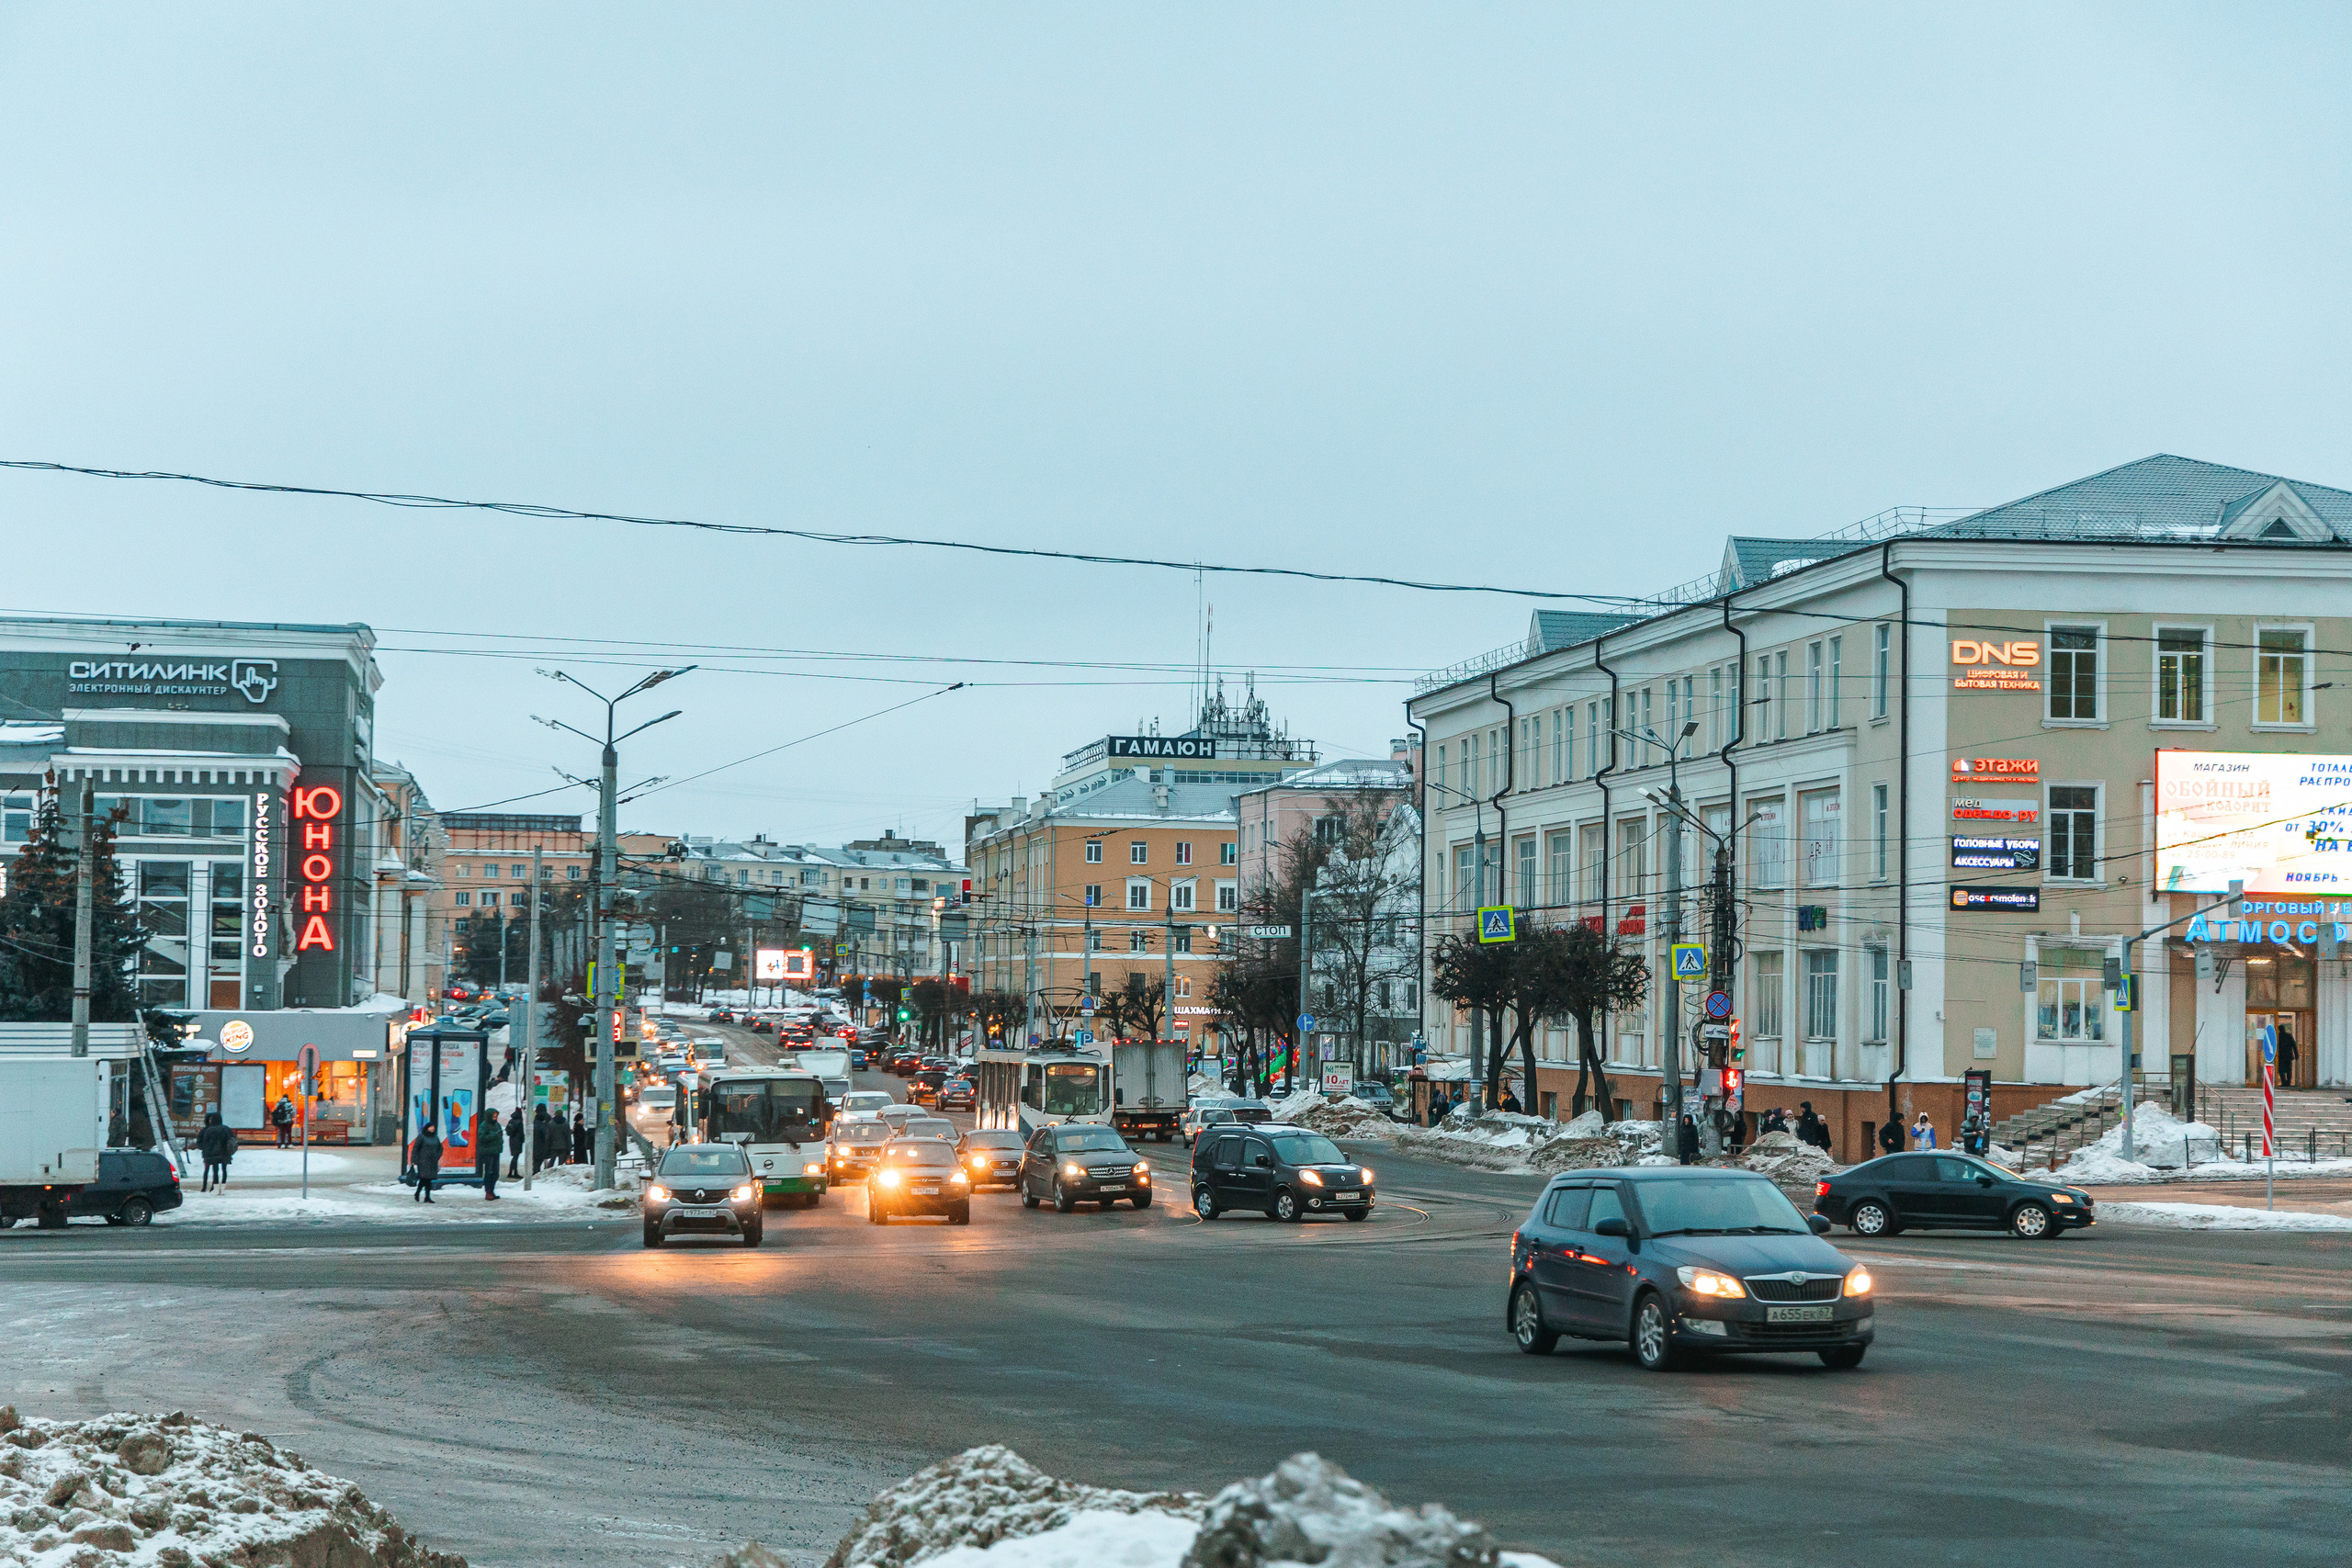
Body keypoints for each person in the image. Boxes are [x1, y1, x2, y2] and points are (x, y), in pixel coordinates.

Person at [196, 1112, 236, 1191]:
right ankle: (222, 1188)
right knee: (224, 1170)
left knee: (215, 1171)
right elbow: (232, 1140)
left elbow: (204, 1142)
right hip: (225, 1153)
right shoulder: (226, 1129)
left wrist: (205, 1150)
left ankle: (214, 1188)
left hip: (212, 1154)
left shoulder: (209, 1130)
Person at [410, 1123, 442, 1202]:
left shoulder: (435, 1137)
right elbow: (416, 1148)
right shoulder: (422, 1136)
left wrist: (437, 1156)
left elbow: (440, 1147)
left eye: (433, 1127)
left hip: (432, 1161)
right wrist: (413, 1159)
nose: (432, 1128)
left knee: (428, 1179)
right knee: (424, 1178)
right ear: (427, 1128)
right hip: (423, 1161)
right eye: (431, 1127)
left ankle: (425, 1196)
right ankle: (421, 1194)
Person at [477, 1111, 503, 1200]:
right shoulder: (484, 1126)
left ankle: (492, 1190)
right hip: (487, 1153)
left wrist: (500, 1140)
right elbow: (482, 1138)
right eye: (493, 1116)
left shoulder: (497, 1125)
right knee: (489, 1172)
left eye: (496, 1116)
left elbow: (499, 1136)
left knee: (496, 1173)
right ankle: (488, 1192)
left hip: (496, 1151)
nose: (495, 1118)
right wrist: (495, 1136)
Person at [2275, 1025, 2300, 1089]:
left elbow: (2275, 1046)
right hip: (2287, 1056)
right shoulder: (2288, 1036)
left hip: (2281, 1056)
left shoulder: (2278, 1036)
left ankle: (2284, 1082)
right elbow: (2294, 1045)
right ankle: (2287, 1082)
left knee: (2281, 1070)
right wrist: (2296, 1055)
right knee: (2288, 1070)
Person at [504, 1108, 526, 1179]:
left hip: (512, 1140)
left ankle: (511, 1172)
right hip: (518, 1141)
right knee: (515, 1157)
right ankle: (514, 1172)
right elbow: (521, 1133)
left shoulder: (511, 1120)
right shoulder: (519, 1122)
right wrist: (523, 1140)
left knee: (514, 1157)